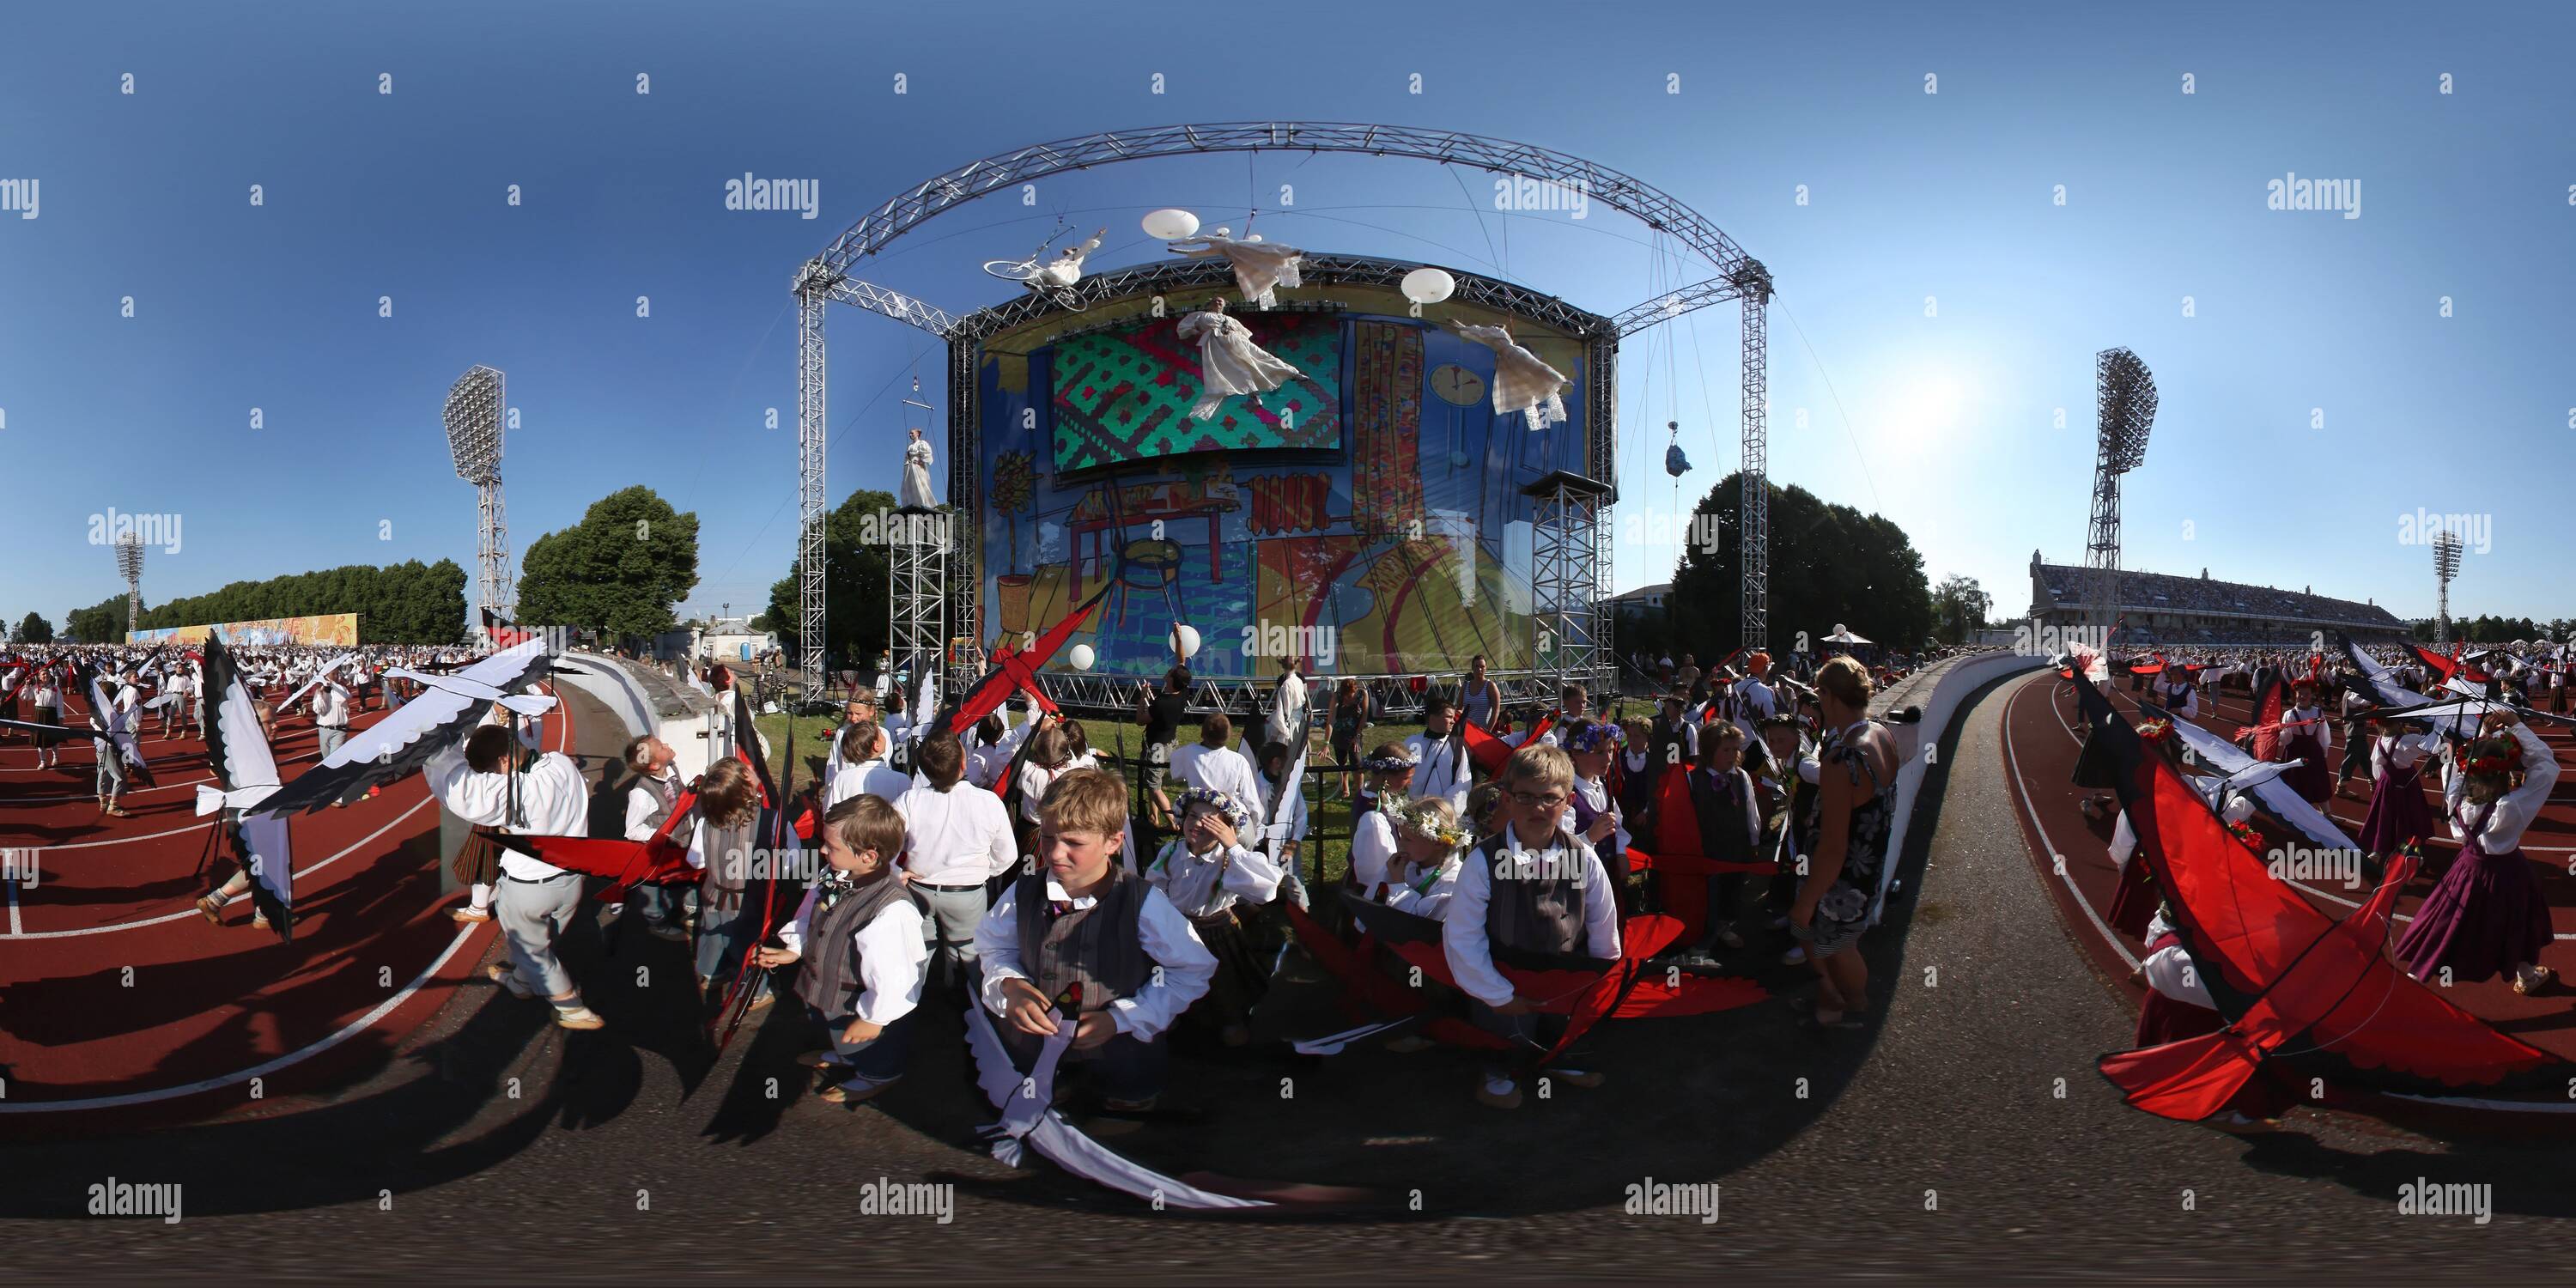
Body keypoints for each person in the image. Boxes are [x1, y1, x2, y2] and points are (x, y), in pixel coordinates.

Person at [974, 769, 1217, 1117]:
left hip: (1121, 1049)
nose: (1055, 853)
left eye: (1074, 843)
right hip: (1036, 1046)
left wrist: (1121, 1019)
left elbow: (1192, 970)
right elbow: (995, 947)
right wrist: (1010, 985)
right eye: (1047, 837)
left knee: (1124, 1111)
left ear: (1113, 842)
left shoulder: (1143, 902)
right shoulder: (1024, 890)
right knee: (1040, 1109)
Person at [1443, 744, 1620, 1110]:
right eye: (1525, 797)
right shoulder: (1483, 861)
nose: (1537, 808)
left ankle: (1558, 1057)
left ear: (1568, 800)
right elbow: (1462, 935)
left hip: (1564, 975)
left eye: (1549, 798)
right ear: (1507, 799)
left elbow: (1603, 922)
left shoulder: (1582, 857)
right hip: (1504, 978)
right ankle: (1499, 1072)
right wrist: (1497, 994)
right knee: (1504, 1035)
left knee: (1560, 1028)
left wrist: (1598, 980)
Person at [427, 723, 606, 1030]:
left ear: (505, 761)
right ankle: (521, 982)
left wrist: (434, 747)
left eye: (491, 772)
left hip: (531, 888)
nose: (493, 779)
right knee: (546, 937)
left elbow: (462, 793)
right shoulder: (560, 762)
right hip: (573, 879)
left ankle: (572, 1009)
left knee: (533, 950)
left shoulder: (519, 791)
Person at [758, 794, 927, 1104]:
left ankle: (878, 1074)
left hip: (857, 998)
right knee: (836, 1029)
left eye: (832, 847)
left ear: (868, 856)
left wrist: (875, 1018)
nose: (822, 850)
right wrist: (796, 947)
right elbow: (811, 910)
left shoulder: (891, 911)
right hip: (828, 986)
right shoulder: (836, 874)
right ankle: (846, 1055)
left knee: (867, 1043)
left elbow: (896, 975)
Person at [2393, 715, 2560, 994]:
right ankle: (2526, 975)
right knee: (2517, 922)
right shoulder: (2509, 809)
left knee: (2448, 925)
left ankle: (2414, 978)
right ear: (2503, 773)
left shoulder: (2455, 798)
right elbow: (2546, 766)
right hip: (2509, 873)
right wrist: (2516, 725)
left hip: (2466, 871)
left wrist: (2482, 735)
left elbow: (2455, 770)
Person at [1789, 656, 1897, 1030]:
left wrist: (1804, 903)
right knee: (1840, 942)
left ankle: (1853, 1003)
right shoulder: (1880, 735)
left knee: (1834, 945)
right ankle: (1839, 1000)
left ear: (1832, 697)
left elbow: (1834, 847)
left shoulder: (1841, 760)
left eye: (1821, 694)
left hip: (1841, 880)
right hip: (1867, 868)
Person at [1143, 787, 1285, 1047]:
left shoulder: (1230, 861)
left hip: (1216, 931)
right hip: (1177, 929)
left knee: (1223, 984)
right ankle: (1176, 1017)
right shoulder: (1171, 853)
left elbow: (1266, 889)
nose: (1197, 824)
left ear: (1226, 830)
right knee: (1170, 976)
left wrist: (1233, 846)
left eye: (1210, 821)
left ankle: (1230, 1022)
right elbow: (1155, 886)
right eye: (1193, 815)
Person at [893, 731, 1017, 991]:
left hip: (920, 886)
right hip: (965, 894)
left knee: (918, 950)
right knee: (966, 953)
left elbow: (886, 844)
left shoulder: (910, 800)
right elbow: (1008, 855)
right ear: (963, 764)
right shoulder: (988, 802)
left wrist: (894, 871)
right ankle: (963, 1000)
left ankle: (913, 997)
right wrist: (980, 871)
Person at [687, 756, 767, 1002]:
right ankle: (755, 992)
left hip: (713, 890)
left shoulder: (705, 821)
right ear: (745, 789)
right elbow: (791, 863)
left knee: (712, 933)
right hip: (747, 899)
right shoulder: (769, 820)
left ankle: (712, 972)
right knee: (745, 942)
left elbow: (696, 861)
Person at [1684, 723, 1762, 960]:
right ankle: (1705, 936)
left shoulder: (1741, 777)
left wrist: (1754, 839)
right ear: (1709, 751)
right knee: (1709, 895)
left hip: (1736, 846)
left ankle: (1725, 926)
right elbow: (1686, 816)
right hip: (1707, 849)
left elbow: (1751, 810)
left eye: (1736, 750)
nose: (1733, 756)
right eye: (1726, 750)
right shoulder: (1692, 779)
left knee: (1733, 889)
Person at [622, 735, 693, 942]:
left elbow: (689, 792)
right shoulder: (641, 794)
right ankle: (657, 922)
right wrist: (662, 835)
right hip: (659, 851)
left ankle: (689, 911)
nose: (668, 745)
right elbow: (632, 830)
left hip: (682, 843)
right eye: (662, 746)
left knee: (685, 877)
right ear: (654, 765)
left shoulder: (675, 770)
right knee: (653, 885)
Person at [2357, 714, 2439, 867]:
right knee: (2411, 816)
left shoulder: (2380, 740)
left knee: (2385, 816)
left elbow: (2376, 768)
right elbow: (2433, 746)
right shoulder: (2407, 740)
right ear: (2399, 722)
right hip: (2407, 783)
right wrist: (2440, 729)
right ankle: (2413, 852)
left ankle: (2377, 851)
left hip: (2386, 782)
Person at [1170, 712, 1261, 820]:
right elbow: (1251, 800)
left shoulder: (1187, 752)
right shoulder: (1239, 761)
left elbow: (1176, 776)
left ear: (1202, 734)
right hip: (1228, 819)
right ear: (1229, 736)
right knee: (1249, 835)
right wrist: (1257, 823)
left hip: (1197, 815)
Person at [1134, 667, 1191, 829]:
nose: (1167, 671)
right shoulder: (1183, 692)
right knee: (1151, 779)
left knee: (1154, 785)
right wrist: (1179, 640)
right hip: (1168, 741)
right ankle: (1154, 816)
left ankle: (1174, 823)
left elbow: (1140, 720)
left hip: (1158, 747)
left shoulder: (1163, 703)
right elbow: (1182, 660)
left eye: (1170, 672)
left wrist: (1143, 698)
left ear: (1172, 680)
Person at [1402, 698, 1472, 814]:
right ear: (1433, 718)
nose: (1453, 721)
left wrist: (1447, 811)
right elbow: (1400, 773)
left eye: (1453, 717)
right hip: (1410, 808)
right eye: (1449, 717)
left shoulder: (1456, 748)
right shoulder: (1413, 742)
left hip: (1439, 812)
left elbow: (1461, 782)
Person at [825, 717, 911, 809]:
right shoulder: (902, 780)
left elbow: (830, 813)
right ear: (876, 745)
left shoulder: (841, 778)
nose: (883, 734)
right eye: (881, 733)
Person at [2275, 679, 2334, 805]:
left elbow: (2323, 734)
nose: (2302, 696)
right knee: (2296, 782)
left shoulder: (2318, 712)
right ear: (2295, 694)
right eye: (2300, 693)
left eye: (2306, 693)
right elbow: (2287, 738)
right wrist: (2277, 734)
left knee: (2318, 782)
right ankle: (2296, 812)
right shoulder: (2289, 714)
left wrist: (2324, 751)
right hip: (2295, 753)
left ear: (2312, 695)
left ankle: (2327, 813)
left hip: (2314, 752)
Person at [1328, 677, 1371, 801]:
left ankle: (1359, 791)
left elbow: (1364, 715)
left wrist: (1357, 736)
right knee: (1342, 762)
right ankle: (1345, 787)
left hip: (1355, 732)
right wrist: (1326, 741)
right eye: (1346, 696)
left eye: (1350, 696)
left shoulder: (1363, 694)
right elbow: (1331, 719)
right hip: (1339, 732)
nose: (1347, 698)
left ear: (1356, 690)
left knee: (1357, 763)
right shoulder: (1337, 696)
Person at [1263, 657, 1309, 753]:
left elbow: (1284, 713)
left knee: (1282, 754)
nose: (1291, 657)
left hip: (1291, 723)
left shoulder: (1288, 684)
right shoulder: (1295, 681)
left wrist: (1277, 732)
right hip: (1296, 720)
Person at [898, 426, 938, 510]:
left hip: (918, 467)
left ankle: (925, 502)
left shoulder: (921, 443)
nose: (910, 435)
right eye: (910, 433)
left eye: (912, 433)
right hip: (910, 467)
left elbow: (927, 455)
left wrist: (921, 462)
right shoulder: (910, 446)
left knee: (920, 484)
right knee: (909, 486)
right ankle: (911, 502)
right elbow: (906, 458)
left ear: (917, 434)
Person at [1459, 656, 1502, 732]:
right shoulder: (1465, 686)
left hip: (1483, 731)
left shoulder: (1490, 686)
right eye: (1476, 666)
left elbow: (1496, 712)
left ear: (1486, 668)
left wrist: (1487, 731)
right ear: (1472, 668)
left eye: (1482, 666)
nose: (1479, 669)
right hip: (1467, 731)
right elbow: (1459, 709)